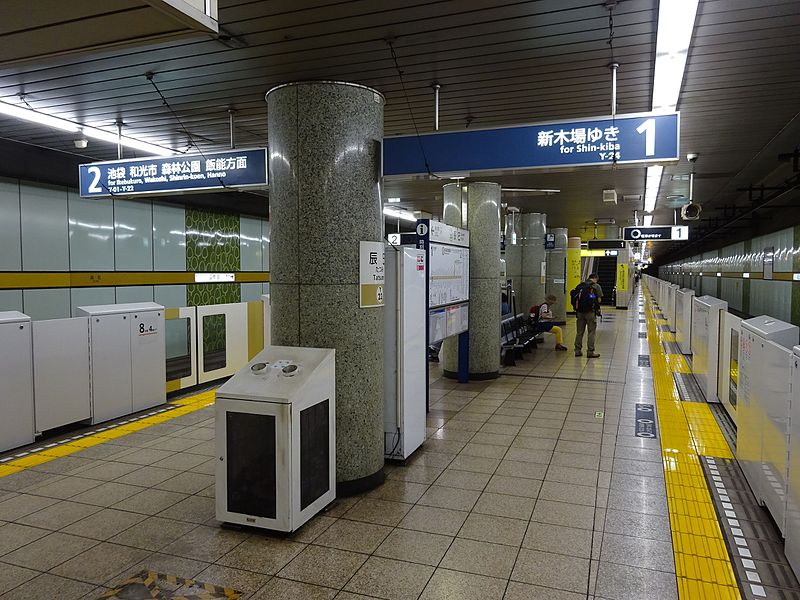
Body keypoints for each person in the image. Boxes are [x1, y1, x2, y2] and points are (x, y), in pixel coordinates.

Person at [571, 273, 603, 358]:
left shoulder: (580, 286)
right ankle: (590, 352)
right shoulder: (596, 286)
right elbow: (599, 300)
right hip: (590, 313)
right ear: (595, 278)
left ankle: (577, 351)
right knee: (591, 332)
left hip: (579, 312)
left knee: (579, 332)